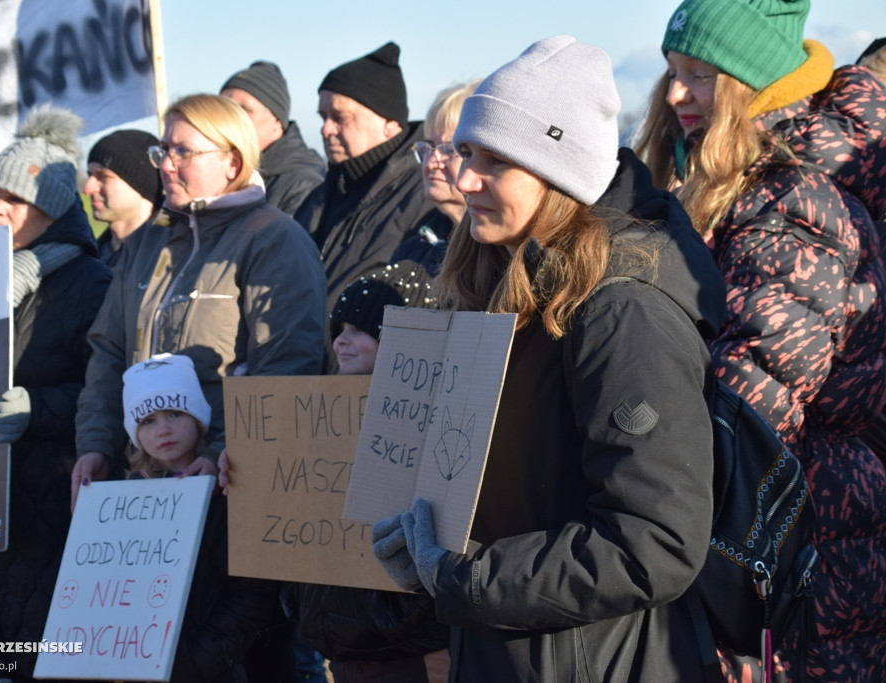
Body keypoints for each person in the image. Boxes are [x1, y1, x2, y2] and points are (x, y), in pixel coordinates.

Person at [372, 36, 727, 681]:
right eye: (465, 152)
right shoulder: (501, 280)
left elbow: (655, 542)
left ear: (557, 173)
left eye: (496, 161)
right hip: (507, 651)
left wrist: (465, 578)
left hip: (597, 660)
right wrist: (420, 533)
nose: (464, 178)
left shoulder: (623, 312)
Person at [634, 1, 886, 679]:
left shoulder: (789, 203)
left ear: (758, 85)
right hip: (757, 541)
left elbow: (752, 411)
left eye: (703, 74)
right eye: (672, 71)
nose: (679, 92)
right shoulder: (716, 182)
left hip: (796, 553)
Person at [72, 93, 327, 682]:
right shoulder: (147, 245)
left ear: (232, 162)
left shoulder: (273, 239)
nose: (164, 163)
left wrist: (217, 454)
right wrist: (96, 442)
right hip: (148, 495)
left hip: (234, 502)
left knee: (249, 661)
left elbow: (286, 367)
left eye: (182, 151)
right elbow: (110, 353)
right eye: (164, 149)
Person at [0, 107, 113, 681]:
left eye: (13, 197)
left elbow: (101, 385)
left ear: (55, 206)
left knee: (39, 662)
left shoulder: (90, 283)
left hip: (47, 501)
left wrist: (37, 408)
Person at [279, 260, 450, 683]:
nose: (341, 342)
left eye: (359, 331)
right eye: (339, 330)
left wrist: (395, 613)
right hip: (345, 647)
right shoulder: (316, 425)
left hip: (410, 653)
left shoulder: (433, 426)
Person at [122, 353, 279, 682]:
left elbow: (249, 595)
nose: (163, 429)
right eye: (147, 420)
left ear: (198, 419)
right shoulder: (123, 502)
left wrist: (198, 661)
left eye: (175, 413)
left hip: (210, 669)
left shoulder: (229, 491)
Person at [294, 41, 436, 315]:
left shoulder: (425, 195)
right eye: (323, 117)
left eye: (339, 117)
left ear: (390, 123)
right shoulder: (320, 196)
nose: (325, 129)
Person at [391, 79, 481, 274]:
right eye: (429, 147)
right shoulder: (415, 249)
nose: (431, 162)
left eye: (449, 150)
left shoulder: (502, 258)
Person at [220, 60, 325, 217]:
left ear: (276, 120)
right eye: (222, 108)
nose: (230, 118)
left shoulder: (303, 187)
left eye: (243, 109)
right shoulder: (219, 171)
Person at [84, 128, 164, 267]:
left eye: (103, 176)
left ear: (139, 182)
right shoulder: (89, 261)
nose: (88, 189)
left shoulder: (168, 257)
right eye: (90, 175)